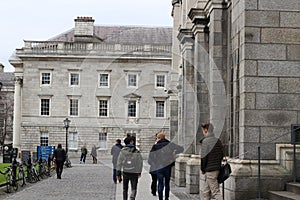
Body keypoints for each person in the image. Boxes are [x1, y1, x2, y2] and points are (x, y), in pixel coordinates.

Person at [148, 132, 184, 200]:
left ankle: (160, 198)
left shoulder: (155, 146)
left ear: (159, 138)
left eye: (157, 138)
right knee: (167, 183)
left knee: (160, 183)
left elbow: (151, 157)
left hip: (159, 166)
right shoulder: (170, 144)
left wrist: (154, 163)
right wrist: (174, 152)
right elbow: (181, 148)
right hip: (167, 166)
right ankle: (166, 198)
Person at [200, 123, 223, 200]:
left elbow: (203, 157)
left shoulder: (205, 141)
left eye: (203, 130)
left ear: (206, 130)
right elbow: (222, 154)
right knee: (206, 191)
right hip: (217, 168)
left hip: (210, 169)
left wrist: (203, 169)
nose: (202, 132)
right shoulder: (218, 141)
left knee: (215, 192)